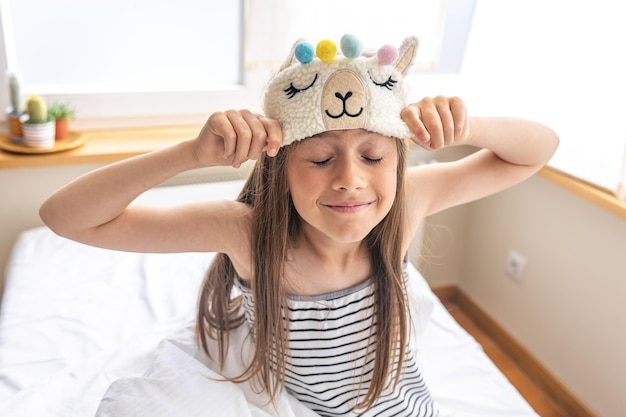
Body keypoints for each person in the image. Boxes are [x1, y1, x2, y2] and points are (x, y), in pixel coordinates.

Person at [39, 35, 559, 417]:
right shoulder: (245, 232)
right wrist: (190, 154)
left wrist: (468, 127)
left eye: (374, 156)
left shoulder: (405, 207)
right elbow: (65, 218)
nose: (350, 180)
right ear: (278, 165)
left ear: (398, 163)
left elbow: (537, 151)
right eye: (319, 160)